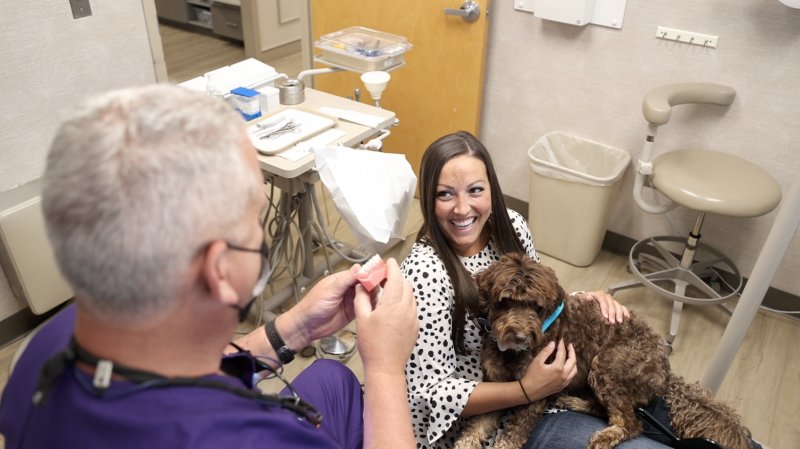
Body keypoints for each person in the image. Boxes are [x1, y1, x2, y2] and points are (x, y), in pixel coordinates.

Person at [0, 84, 419, 449]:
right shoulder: (253, 440)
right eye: (254, 222)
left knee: (333, 379)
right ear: (219, 269)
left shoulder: (45, 346)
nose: (261, 238)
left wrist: (294, 329)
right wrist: (384, 368)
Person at [400, 130, 679, 449]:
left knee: (682, 422)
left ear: (492, 189)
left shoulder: (512, 227)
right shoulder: (424, 272)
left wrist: (583, 300)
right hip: (482, 420)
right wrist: (527, 390)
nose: (463, 209)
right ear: (426, 195)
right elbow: (430, 395)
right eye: (445, 194)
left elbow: (540, 302)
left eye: (475, 190)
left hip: (548, 388)